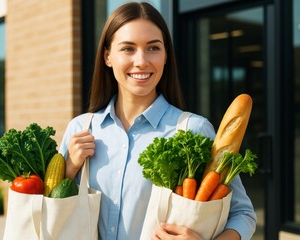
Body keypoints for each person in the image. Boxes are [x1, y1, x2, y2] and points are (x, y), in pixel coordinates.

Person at [59, 2, 257, 240]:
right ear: (108, 56)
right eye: (128, 49)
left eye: (153, 48)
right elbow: (51, 213)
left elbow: (243, 214)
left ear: (166, 57)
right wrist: (69, 170)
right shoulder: (80, 129)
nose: (141, 61)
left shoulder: (192, 131)